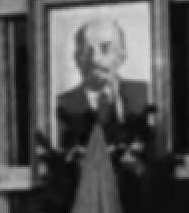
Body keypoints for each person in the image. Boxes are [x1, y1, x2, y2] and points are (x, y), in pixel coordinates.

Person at [54, 17, 151, 148]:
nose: (95, 59)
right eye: (87, 50)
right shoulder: (62, 104)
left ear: (122, 55)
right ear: (77, 58)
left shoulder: (144, 95)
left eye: (105, 48)